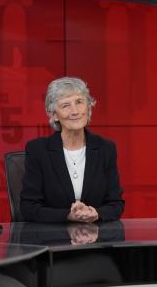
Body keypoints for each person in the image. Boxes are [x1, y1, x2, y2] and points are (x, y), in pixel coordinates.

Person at [20, 77, 124, 222]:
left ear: (88, 107)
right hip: (52, 235)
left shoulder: (105, 149)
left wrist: (96, 213)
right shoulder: (38, 150)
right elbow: (28, 207)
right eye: (66, 105)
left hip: (96, 234)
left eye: (79, 102)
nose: (75, 111)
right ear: (54, 115)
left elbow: (116, 204)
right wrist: (68, 216)